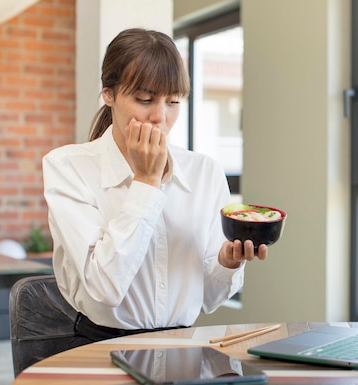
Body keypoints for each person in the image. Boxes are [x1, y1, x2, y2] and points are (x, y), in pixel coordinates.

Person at [43, 28, 267, 347]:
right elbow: (104, 288)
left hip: (184, 343)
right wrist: (146, 182)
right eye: (144, 100)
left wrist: (228, 262)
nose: (160, 117)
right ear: (109, 94)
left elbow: (210, 300)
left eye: (173, 102)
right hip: (100, 346)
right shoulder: (67, 167)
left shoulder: (204, 171)